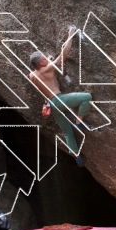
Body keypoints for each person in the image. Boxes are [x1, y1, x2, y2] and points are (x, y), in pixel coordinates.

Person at [29, 26, 92, 167]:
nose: (47, 58)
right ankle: (78, 122)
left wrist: (48, 62)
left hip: (51, 106)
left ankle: (77, 156)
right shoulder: (47, 69)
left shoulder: (32, 75)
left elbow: (44, 74)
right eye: (44, 58)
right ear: (40, 63)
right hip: (59, 100)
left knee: (67, 132)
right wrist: (70, 35)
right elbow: (63, 56)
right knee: (86, 97)